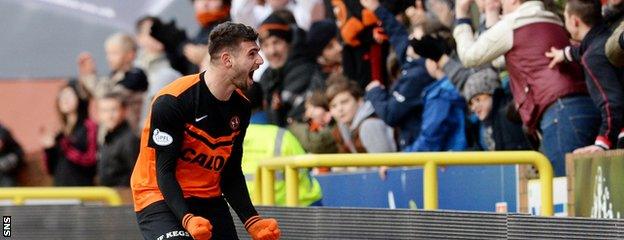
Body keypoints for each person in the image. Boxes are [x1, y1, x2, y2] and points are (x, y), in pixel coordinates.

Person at [130, 22, 280, 240]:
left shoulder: (241, 107)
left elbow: (230, 172)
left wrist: (252, 221)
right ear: (227, 60)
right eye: (252, 53)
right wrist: (187, 218)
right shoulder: (173, 101)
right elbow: (164, 173)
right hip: (158, 193)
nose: (260, 61)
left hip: (207, 195)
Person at [453, 0, 600, 176]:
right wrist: (492, 14)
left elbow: (470, 56)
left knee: (568, 190)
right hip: (583, 107)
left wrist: (462, 14)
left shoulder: (513, 23)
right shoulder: (552, 20)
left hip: (560, 115)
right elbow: (499, 59)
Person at [546, 0, 624, 153]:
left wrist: (603, 142)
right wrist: (565, 54)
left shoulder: (593, 57)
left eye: (566, 17)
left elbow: (612, 104)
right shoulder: (608, 36)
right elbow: (586, 47)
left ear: (575, 21)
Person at [241, 83, 323, 206]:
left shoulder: (218, 140)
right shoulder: (283, 137)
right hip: (283, 218)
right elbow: (308, 192)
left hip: (235, 218)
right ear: (264, 103)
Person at [258, 12, 316, 126]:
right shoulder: (266, 77)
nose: (272, 51)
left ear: (289, 43)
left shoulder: (304, 70)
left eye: (276, 42)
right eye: (266, 45)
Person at [41, 81, 98, 186]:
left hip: (82, 189)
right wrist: (49, 149)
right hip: (61, 188)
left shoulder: (90, 126)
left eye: (69, 96)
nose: (64, 100)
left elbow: (91, 159)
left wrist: (66, 147)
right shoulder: (59, 130)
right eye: (62, 96)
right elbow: (50, 170)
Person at [462, 69, 532, 150]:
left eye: (478, 99)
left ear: (492, 93)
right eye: (471, 104)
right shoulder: (481, 127)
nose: (474, 108)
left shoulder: (508, 114)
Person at [326, 74, 396, 154]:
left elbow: (385, 164)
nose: (339, 109)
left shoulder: (369, 125)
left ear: (359, 101)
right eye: (333, 106)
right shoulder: (344, 126)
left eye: (344, 102)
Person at [135, 16, 182, 128]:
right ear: (139, 38)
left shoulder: (176, 62)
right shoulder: (133, 67)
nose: (156, 35)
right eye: (150, 32)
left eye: (158, 31)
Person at [96, 92, 140, 187]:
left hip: (125, 199)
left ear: (125, 111)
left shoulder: (130, 140)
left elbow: (138, 176)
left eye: (113, 110)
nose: (109, 115)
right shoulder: (108, 138)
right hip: (110, 197)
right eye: (104, 111)